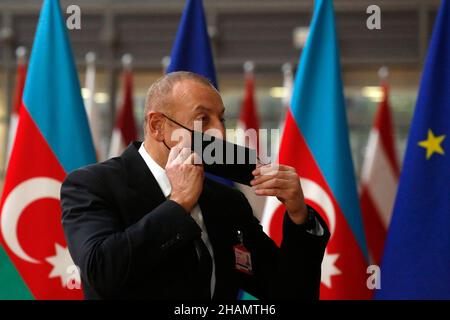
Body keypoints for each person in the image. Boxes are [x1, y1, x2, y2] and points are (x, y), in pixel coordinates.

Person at [61, 71, 330, 300]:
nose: (219, 133)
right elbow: (102, 273)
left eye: (221, 120)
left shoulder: (226, 200)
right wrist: (178, 204)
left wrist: (299, 217)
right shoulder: (93, 184)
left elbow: (290, 293)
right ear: (157, 126)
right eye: (203, 120)